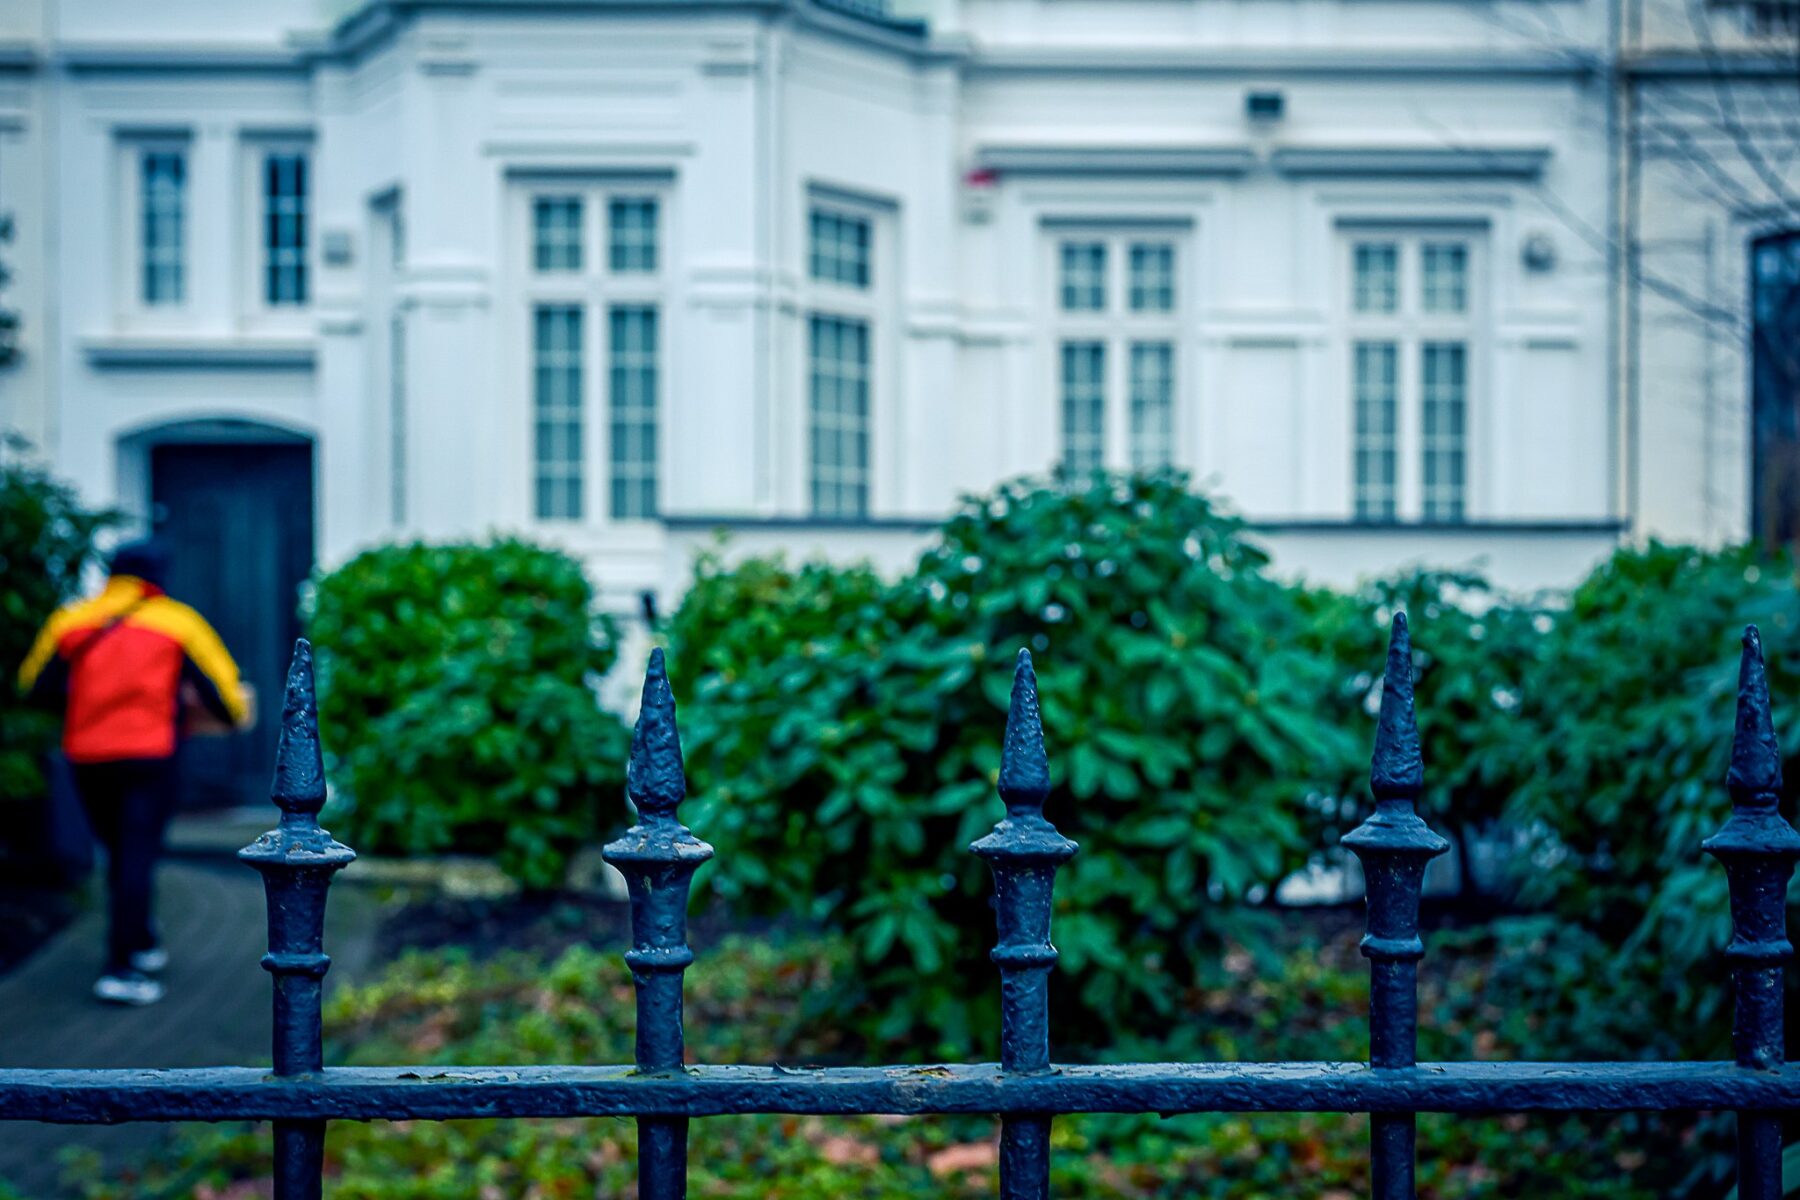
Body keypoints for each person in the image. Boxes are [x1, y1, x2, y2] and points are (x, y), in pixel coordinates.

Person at [17, 540, 248, 1005]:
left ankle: (139, 940)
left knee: (118, 853)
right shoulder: (177, 622)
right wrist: (204, 718)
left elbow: (33, 687)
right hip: (150, 755)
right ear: (158, 575)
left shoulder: (72, 621)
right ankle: (121, 968)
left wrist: (89, 707)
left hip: (88, 756)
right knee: (136, 855)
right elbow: (227, 697)